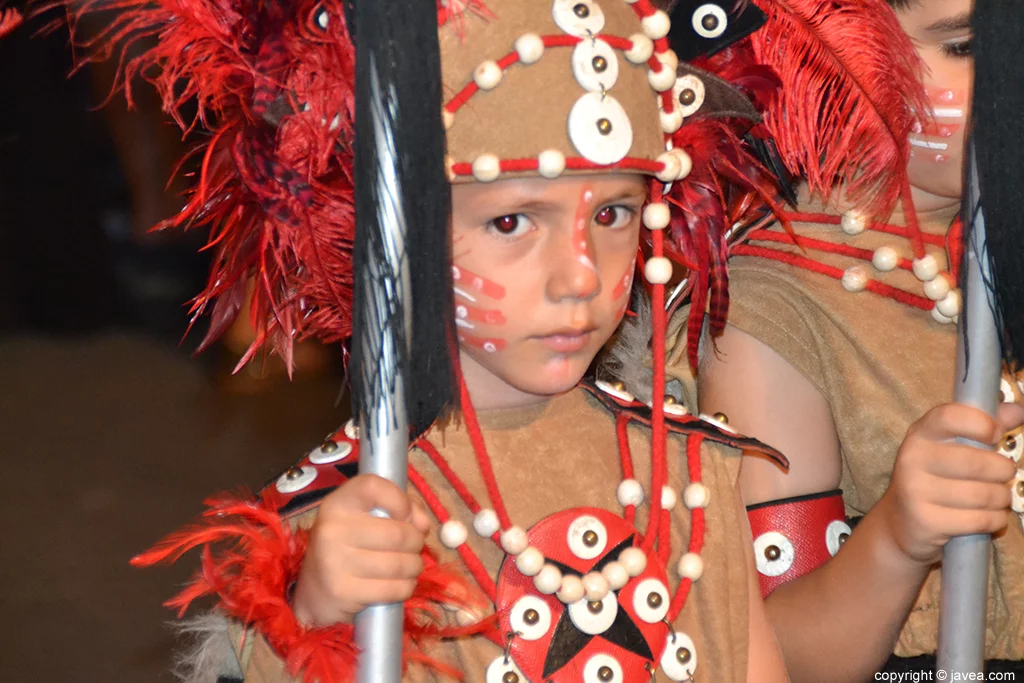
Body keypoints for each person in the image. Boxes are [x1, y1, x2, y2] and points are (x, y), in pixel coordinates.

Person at [98, 0, 796, 681]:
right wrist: (314, 621)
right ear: (406, 237)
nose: (580, 275)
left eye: (613, 213)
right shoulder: (353, 520)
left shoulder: (688, 466)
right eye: (512, 223)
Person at [690, 0, 1024, 679]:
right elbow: (775, 652)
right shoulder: (775, 305)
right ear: (837, 51)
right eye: (965, 47)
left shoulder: (992, 255)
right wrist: (897, 539)